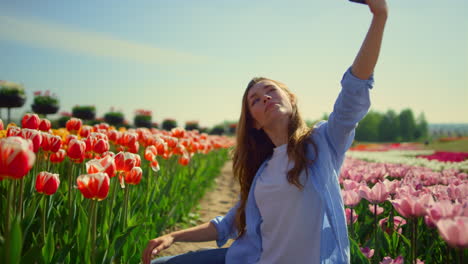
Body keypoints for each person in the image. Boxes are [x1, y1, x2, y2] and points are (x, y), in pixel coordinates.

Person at [142, 0, 388, 263]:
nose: (266, 98)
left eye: (271, 90)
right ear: (255, 123)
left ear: (291, 100)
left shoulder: (323, 144)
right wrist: (173, 237)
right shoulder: (262, 173)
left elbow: (354, 92)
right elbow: (227, 224)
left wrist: (379, 16)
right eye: (255, 100)